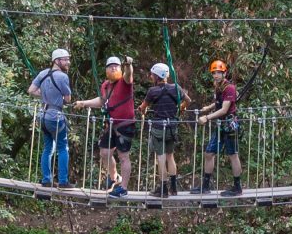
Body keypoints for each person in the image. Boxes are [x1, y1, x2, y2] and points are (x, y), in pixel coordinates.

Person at [72, 55, 137, 196]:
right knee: (104, 152)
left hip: (125, 125)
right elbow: (102, 101)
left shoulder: (125, 82)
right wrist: (84, 103)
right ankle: (115, 178)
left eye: (116, 66)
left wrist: (128, 64)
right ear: (106, 69)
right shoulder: (105, 85)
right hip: (111, 124)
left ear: (120, 68)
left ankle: (123, 189)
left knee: (123, 156)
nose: (113, 68)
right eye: (110, 66)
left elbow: (129, 74)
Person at [27, 47, 76, 188]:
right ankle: (62, 181)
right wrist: (57, 96)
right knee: (63, 148)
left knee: (48, 148)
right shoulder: (62, 77)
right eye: (65, 60)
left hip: (43, 116)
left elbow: (31, 90)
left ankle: (46, 180)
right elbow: (68, 99)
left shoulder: (42, 74)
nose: (68, 62)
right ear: (57, 61)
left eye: (68, 59)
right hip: (56, 117)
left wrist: (44, 95)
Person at [193, 59, 243, 196]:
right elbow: (218, 104)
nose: (215, 75)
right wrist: (208, 108)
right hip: (221, 125)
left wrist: (207, 117)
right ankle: (205, 186)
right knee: (209, 153)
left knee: (233, 155)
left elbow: (224, 109)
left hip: (229, 125)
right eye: (214, 73)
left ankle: (237, 187)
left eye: (218, 73)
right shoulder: (218, 87)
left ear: (224, 73)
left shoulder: (230, 88)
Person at [143, 61, 190, 197]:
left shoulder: (153, 91)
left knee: (161, 158)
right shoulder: (176, 88)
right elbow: (188, 100)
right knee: (170, 157)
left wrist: (142, 110)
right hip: (172, 128)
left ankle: (163, 190)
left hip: (159, 128)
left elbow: (143, 106)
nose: (151, 77)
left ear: (157, 76)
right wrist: (181, 107)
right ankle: (174, 189)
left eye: (152, 75)